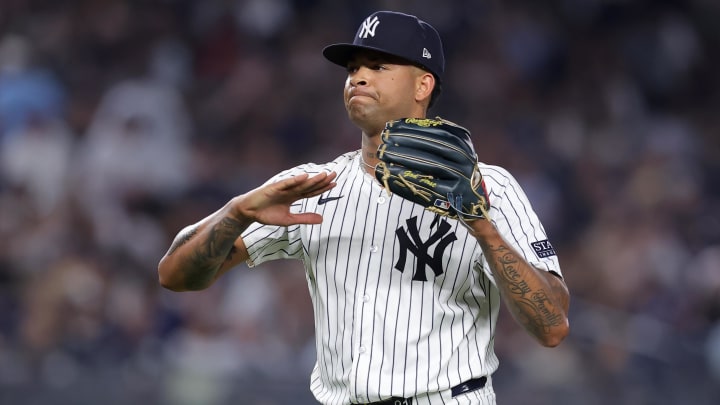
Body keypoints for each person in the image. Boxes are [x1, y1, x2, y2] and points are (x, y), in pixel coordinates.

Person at [158, 10, 570, 405]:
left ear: (422, 86)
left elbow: (552, 326)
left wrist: (483, 229)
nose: (358, 77)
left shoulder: (489, 187)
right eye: (353, 67)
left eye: (378, 66)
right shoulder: (311, 185)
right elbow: (174, 275)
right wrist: (237, 213)